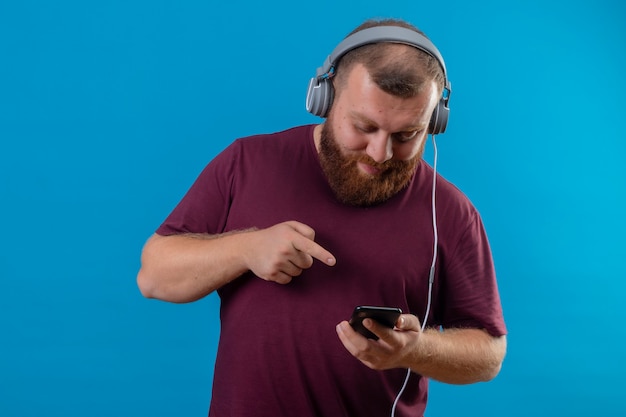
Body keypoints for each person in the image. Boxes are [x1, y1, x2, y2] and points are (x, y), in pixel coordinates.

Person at [137, 17, 507, 417]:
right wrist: (245, 248)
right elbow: (154, 276)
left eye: (406, 135)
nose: (379, 153)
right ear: (324, 99)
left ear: (435, 122)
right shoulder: (246, 162)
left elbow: (488, 353)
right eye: (363, 126)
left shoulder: (451, 213)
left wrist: (416, 350)